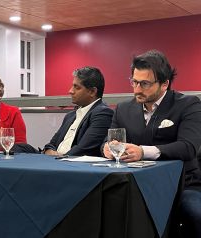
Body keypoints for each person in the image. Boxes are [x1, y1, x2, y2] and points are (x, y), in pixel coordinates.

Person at [102, 50, 201, 237]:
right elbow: (107, 141)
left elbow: (188, 147)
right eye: (134, 82)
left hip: (182, 186)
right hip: (133, 184)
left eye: (145, 83)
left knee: (196, 215)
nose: (137, 89)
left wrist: (142, 151)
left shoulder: (188, 104)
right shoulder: (123, 109)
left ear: (165, 84)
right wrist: (106, 148)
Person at [42, 66, 113, 156]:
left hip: (72, 165)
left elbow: (83, 149)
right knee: (23, 147)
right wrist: (49, 152)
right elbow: (51, 144)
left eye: (77, 87)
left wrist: (57, 157)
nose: (70, 91)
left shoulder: (103, 114)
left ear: (92, 91)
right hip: (54, 160)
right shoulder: (70, 116)